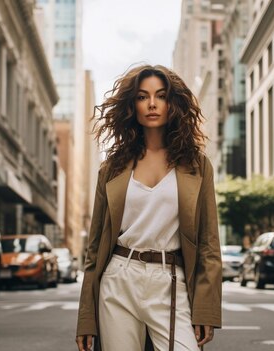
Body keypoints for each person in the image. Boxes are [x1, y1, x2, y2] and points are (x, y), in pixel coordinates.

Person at [75, 64, 222, 351]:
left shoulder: (197, 165)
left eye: (161, 96)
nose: (152, 104)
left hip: (170, 281)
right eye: (142, 97)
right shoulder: (112, 168)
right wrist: (85, 318)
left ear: (173, 103)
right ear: (132, 106)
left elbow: (209, 243)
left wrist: (206, 309)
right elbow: (94, 249)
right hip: (118, 278)